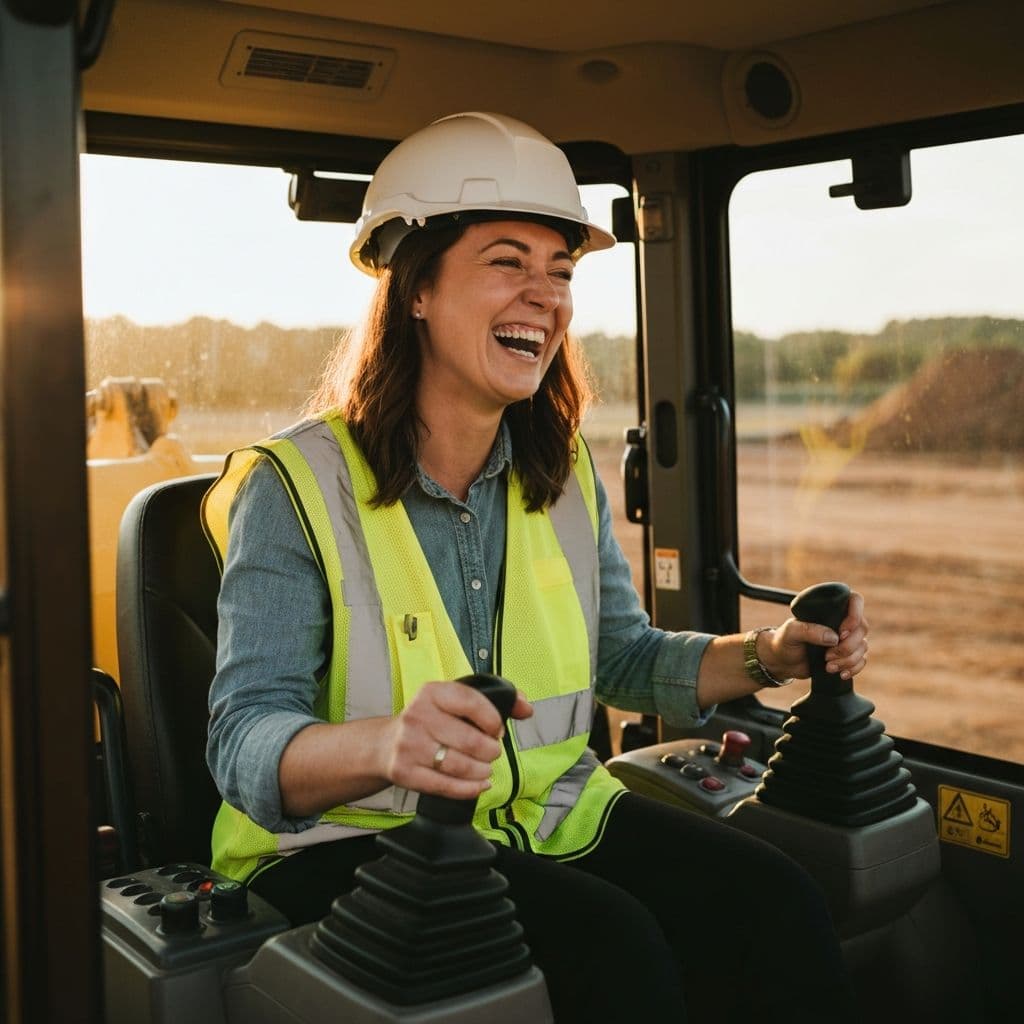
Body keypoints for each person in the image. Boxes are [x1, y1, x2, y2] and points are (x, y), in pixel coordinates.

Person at [204, 111, 867, 1022]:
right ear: (417, 289)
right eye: (507, 262)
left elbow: (624, 659)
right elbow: (242, 744)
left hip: (540, 821)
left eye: (560, 272)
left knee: (777, 900)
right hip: (346, 844)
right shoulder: (296, 487)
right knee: (618, 953)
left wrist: (772, 652)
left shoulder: (559, 475)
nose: (545, 298)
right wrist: (391, 745)